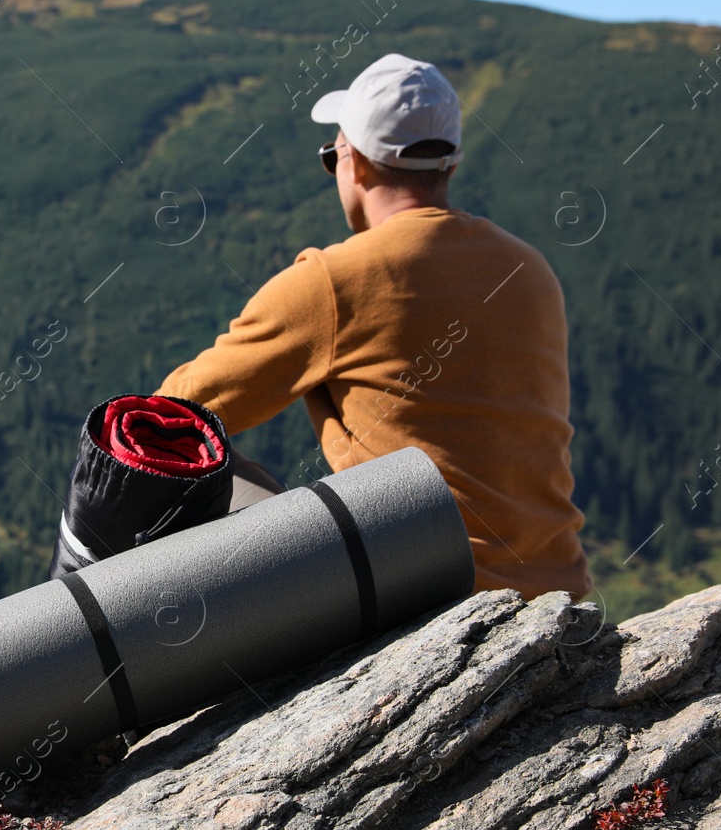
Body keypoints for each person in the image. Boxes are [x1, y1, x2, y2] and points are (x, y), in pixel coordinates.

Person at [156, 53, 592, 601]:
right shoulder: (528, 268)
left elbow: (175, 411)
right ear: (449, 165)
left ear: (354, 163)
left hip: (428, 595)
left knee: (195, 466)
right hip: (560, 590)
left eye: (331, 154)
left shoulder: (334, 282)